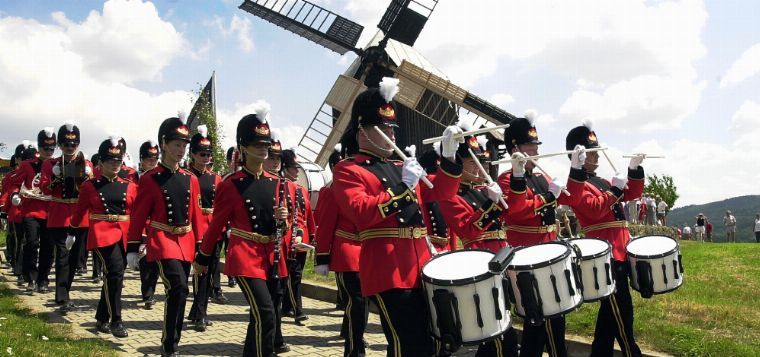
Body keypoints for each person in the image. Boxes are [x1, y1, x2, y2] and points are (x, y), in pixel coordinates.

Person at [330, 77, 463, 356]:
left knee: (430, 342)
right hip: (387, 269)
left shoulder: (401, 165)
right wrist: (403, 188)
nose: (392, 135)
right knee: (410, 345)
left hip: (421, 267)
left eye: (393, 128)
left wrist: (450, 159)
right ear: (363, 130)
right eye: (384, 128)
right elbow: (361, 213)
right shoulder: (348, 170)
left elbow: (439, 193)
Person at [193, 106, 293, 356]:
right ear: (243, 147)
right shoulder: (231, 184)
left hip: (271, 255)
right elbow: (216, 225)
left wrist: (284, 220)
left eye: (265, 144)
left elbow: (280, 226)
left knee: (261, 315)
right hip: (246, 255)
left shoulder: (277, 182)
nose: (263, 148)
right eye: (256, 143)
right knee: (266, 313)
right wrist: (203, 257)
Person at [564, 120, 646, 357]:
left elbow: (633, 192)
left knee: (609, 320)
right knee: (622, 317)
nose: (597, 156)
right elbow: (594, 209)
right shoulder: (576, 186)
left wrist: (634, 170)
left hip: (619, 252)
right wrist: (616, 191)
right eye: (591, 153)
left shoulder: (600, 181)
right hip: (605, 256)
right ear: (578, 156)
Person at [126, 114, 203, 357]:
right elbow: (138, 216)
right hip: (161, 240)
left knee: (182, 291)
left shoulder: (191, 179)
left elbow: (197, 215)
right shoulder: (150, 179)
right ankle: (169, 343)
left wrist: (202, 246)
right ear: (164, 144)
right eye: (176, 145)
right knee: (178, 287)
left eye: (184, 146)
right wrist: (132, 246)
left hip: (186, 241)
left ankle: (173, 339)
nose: (181, 150)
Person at [440, 130, 519, 356]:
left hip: (502, 259)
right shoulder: (453, 195)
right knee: (495, 331)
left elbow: (511, 213)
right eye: (470, 162)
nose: (477, 167)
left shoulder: (484, 190)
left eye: (479, 161)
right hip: (481, 261)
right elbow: (467, 228)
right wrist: (490, 205)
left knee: (501, 326)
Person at [497, 111, 569, 357]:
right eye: (530, 145)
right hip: (528, 257)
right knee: (545, 322)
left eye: (536, 145)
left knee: (545, 324)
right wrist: (549, 196)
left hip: (548, 252)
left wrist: (575, 170)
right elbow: (518, 211)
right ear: (515, 148)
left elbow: (565, 198)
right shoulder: (506, 179)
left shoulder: (540, 175)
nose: (536, 150)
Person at [71, 136, 137, 338]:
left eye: (118, 160)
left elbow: (137, 213)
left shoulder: (130, 185)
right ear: (100, 162)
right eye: (110, 160)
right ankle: (116, 320)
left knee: (113, 275)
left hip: (123, 234)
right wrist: (72, 232)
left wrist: (141, 237)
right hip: (101, 233)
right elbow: (80, 211)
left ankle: (101, 317)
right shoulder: (90, 186)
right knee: (115, 272)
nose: (115, 164)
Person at [314, 144, 369, 357]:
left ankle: (355, 340)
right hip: (347, 251)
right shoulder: (332, 189)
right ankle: (355, 349)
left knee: (363, 302)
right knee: (357, 301)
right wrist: (322, 258)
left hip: (368, 250)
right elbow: (326, 225)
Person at [39, 123, 94, 311]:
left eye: (74, 144)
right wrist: (57, 177)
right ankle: (61, 297)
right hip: (60, 215)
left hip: (79, 217)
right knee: (62, 255)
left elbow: (91, 192)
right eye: (66, 144)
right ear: (60, 145)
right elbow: (44, 188)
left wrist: (88, 178)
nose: (70, 148)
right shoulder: (50, 164)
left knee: (74, 258)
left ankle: (66, 291)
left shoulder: (86, 164)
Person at [186, 125, 226, 332]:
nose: (206, 157)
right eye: (202, 153)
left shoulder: (216, 178)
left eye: (208, 154)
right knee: (199, 272)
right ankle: (199, 311)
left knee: (209, 272)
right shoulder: (185, 176)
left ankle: (199, 310)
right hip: (193, 228)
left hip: (213, 229)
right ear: (192, 154)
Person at [7, 128, 56, 293]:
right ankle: (31, 277)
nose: (48, 152)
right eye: (45, 148)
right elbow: (14, 182)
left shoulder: (58, 165)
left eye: (51, 148)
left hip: (50, 212)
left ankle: (43, 279)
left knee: (48, 247)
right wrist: (14, 194)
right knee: (32, 243)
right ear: (39, 148)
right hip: (31, 211)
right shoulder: (28, 165)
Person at [280, 148, 316, 324]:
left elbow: (308, 214)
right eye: (294, 167)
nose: (297, 171)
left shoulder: (301, 189)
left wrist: (312, 234)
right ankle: (297, 309)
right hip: (290, 238)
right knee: (293, 276)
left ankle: (287, 306)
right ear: (285, 168)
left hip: (303, 239)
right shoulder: (280, 187)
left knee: (297, 274)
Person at [136, 140, 160, 310]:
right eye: (149, 159)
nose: (152, 162)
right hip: (139, 224)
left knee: (154, 262)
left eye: (154, 159)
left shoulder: (160, 177)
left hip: (156, 225)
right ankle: (147, 293)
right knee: (144, 261)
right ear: (142, 160)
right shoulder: (133, 177)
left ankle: (149, 293)